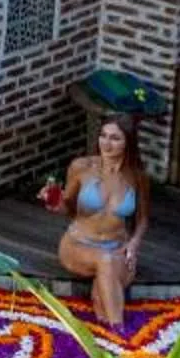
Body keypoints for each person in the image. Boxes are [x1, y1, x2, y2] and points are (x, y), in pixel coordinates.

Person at [50, 115, 152, 324]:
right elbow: (67, 208)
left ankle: (108, 338)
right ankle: (120, 332)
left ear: (128, 143)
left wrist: (134, 244)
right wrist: (54, 202)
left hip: (117, 248)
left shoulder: (137, 177)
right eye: (103, 136)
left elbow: (142, 219)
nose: (106, 143)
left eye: (115, 138)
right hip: (78, 246)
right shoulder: (81, 167)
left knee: (100, 299)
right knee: (105, 261)